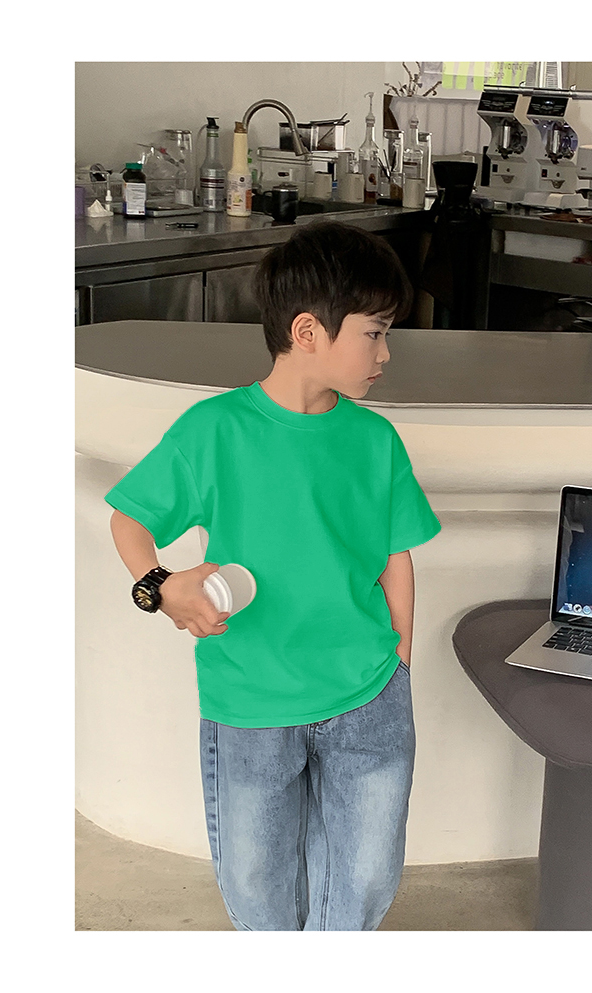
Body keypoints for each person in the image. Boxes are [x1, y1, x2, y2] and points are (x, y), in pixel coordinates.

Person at [105, 220, 442, 931]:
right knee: (257, 883)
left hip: (368, 692)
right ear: (308, 331)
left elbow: (395, 556)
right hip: (251, 700)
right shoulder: (213, 430)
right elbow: (129, 520)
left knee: (365, 879)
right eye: (374, 333)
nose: (386, 353)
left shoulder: (375, 440)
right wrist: (159, 587)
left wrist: (401, 661)